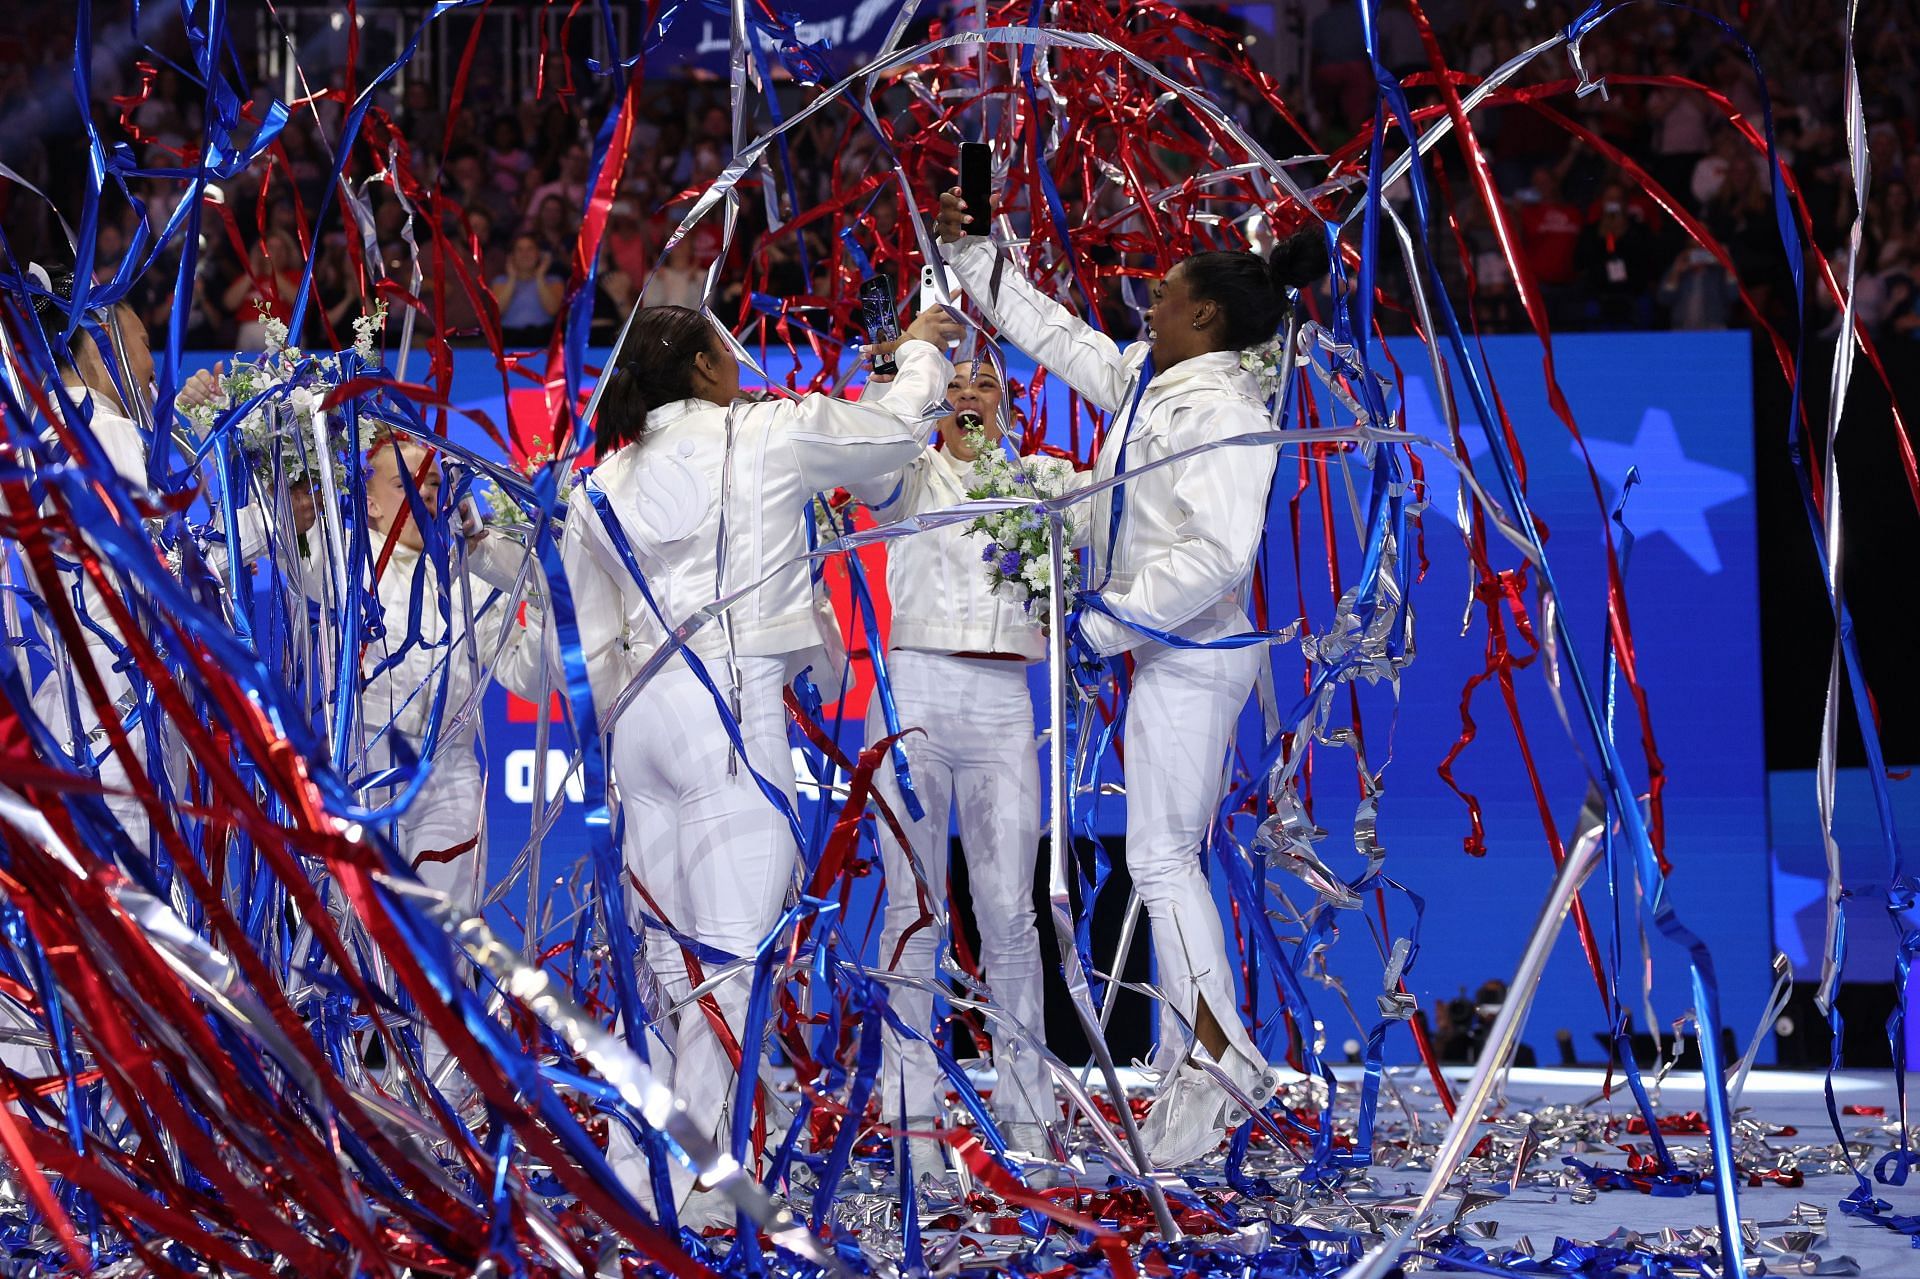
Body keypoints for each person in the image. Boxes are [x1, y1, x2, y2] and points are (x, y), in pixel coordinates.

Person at [934, 187, 1328, 1168]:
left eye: (1165, 294)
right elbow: (1058, 336)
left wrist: (1107, 623)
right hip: (1167, 658)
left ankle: (1220, 1058)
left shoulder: (1227, 410)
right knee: (1161, 859)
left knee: (1158, 860)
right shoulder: (1157, 382)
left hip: (1196, 660)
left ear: (1207, 316)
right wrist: (981, 257)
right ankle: (1195, 1060)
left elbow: (1219, 556)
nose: (1147, 302)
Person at [562, 303, 959, 1225]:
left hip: (638, 729)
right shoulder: (769, 431)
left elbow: (572, 658)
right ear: (703, 369)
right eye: (728, 350)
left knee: (658, 960)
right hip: (729, 716)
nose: (742, 363)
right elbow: (896, 435)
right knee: (728, 961)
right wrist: (925, 356)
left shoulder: (599, 484)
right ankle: (707, 1189)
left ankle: (639, 1171)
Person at [851, 361, 1071, 1181]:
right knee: (913, 909)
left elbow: (1120, 501)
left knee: (1012, 910)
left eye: (989, 384)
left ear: (1010, 405)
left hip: (1006, 695)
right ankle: (912, 1117)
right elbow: (865, 449)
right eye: (960, 384)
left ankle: (1027, 1113)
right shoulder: (906, 472)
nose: (973, 394)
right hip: (914, 687)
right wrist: (898, 368)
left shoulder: (1042, 480)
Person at [492, 233, 565, 346]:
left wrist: (540, 276)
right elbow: (498, 311)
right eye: (519, 250)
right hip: (509, 340)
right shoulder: (500, 281)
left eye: (530, 249)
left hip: (543, 339)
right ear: (512, 256)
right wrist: (512, 278)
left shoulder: (554, 280)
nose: (525, 254)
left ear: (538, 254)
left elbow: (553, 310)